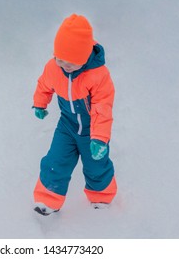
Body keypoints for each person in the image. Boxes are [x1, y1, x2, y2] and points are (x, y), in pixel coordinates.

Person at [32, 14, 117, 216]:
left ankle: (101, 198)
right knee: (55, 161)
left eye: (70, 63)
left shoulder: (98, 75)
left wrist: (100, 139)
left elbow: (102, 107)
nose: (64, 66)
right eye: (59, 59)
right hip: (67, 127)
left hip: (92, 131)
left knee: (96, 166)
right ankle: (48, 200)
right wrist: (39, 103)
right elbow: (44, 84)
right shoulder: (53, 67)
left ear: (84, 56)